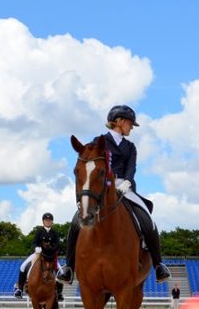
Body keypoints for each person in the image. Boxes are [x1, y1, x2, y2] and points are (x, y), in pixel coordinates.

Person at [57, 105, 170, 285]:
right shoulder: (98, 141)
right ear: (119, 122)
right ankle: (69, 267)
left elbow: (131, 168)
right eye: (130, 123)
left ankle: (158, 264)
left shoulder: (130, 147)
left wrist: (128, 181)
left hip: (124, 186)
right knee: (76, 221)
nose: (131, 127)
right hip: (102, 187)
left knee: (147, 217)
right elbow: (91, 165)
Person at [14, 212, 65, 300]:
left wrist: (52, 250)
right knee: (23, 266)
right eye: (46, 220)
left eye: (49, 220)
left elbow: (57, 245)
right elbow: (34, 242)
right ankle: (20, 289)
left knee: (61, 271)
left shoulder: (54, 233)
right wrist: (36, 248)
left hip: (51, 256)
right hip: (38, 254)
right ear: (43, 221)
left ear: (52, 222)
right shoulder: (39, 232)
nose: (48, 222)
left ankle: (59, 293)